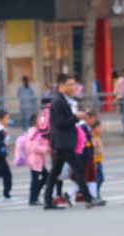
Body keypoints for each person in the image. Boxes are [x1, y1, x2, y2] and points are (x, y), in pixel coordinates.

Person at [43, 74, 98, 210]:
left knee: (55, 172)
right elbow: (61, 122)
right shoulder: (58, 101)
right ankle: (88, 198)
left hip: (64, 142)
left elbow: (67, 120)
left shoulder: (64, 100)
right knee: (78, 168)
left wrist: (78, 116)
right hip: (63, 142)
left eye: (74, 84)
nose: (74, 87)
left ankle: (48, 200)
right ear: (61, 86)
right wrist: (75, 117)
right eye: (70, 84)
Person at [26, 115, 50, 206]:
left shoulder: (38, 132)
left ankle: (34, 196)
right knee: (36, 179)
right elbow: (33, 147)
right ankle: (33, 198)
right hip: (34, 159)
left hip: (38, 159)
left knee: (43, 177)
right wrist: (45, 149)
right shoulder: (33, 133)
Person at [92, 120, 105, 198]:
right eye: (98, 128)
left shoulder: (97, 137)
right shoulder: (93, 138)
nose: (100, 130)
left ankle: (96, 193)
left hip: (99, 161)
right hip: (95, 162)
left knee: (100, 178)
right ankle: (95, 194)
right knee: (99, 179)